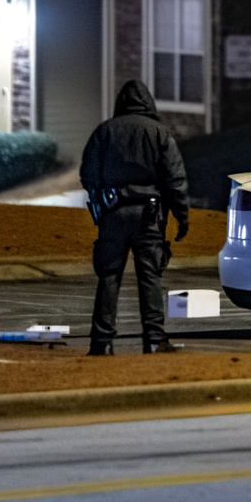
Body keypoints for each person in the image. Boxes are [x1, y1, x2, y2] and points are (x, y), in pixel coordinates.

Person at [80, 79, 189, 355]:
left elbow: (88, 174)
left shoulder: (104, 132)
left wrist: (102, 195)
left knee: (109, 276)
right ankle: (154, 339)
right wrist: (182, 217)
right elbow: (175, 180)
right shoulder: (159, 133)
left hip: (112, 213)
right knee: (149, 275)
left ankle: (101, 341)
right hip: (149, 215)